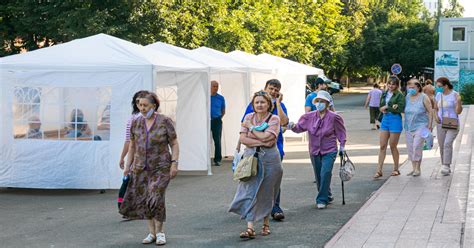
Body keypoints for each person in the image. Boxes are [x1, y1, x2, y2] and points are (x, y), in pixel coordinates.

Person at [119, 92, 179, 245]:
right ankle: (151, 232)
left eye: (145, 105)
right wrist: (128, 165)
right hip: (140, 168)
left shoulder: (164, 121)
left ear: (154, 105)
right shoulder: (136, 123)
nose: (142, 108)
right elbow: (132, 145)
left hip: (161, 166)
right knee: (147, 199)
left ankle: (160, 232)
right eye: (140, 105)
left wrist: (174, 163)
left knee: (156, 196)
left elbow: (174, 143)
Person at [230, 91, 283, 239]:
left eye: (263, 102)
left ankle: (266, 224)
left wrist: (252, 129)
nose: (259, 105)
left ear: (268, 104)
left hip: (271, 159)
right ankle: (250, 227)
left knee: (267, 191)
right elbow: (243, 139)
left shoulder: (274, 118)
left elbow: (269, 137)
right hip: (250, 158)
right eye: (257, 102)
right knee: (249, 191)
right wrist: (262, 142)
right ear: (253, 104)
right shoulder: (248, 117)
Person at [289, 90, 346, 209]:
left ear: (327, 103)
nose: (319, 103)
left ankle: (322, 199)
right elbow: (299, 128)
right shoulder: (308, 116)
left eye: (322, 101)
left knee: (325, 172)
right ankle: (328, 195)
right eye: (318, 101)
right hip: (314, 149)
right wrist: (292, 126)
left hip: (329, 149)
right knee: (318, 175)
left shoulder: (334, 117)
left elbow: (341, 133)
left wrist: (342, 146)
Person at [241, 79, 288, 221]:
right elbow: (244, 125)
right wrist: (258, 141)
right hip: (255, 149)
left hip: (275, 147)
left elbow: (284, 122)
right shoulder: (254, 105)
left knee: (273, 178)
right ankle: (253, 207)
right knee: (253, 177)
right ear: (266, 88)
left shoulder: (280, 106)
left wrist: (278, 104)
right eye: (271, 88)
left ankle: (275, 207)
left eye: (276, 90)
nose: (273, 91)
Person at [374, 76, 405, 179]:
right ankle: (379, 170)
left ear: (397, 85)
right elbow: (380, 106)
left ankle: (396, 169)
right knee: (382, 146)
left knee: (393, 145)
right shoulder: (384, 93)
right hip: (385, 119)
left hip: (395, 120)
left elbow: (400, 108)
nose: (391, 86)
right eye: (389, 83)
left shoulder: (399, 95)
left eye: (393, 84)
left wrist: (388, 107)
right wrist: (382, 108)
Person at [434, 77, 463, 176]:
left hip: (452, 123)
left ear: (446, 86)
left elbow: (458, 111)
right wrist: (435, 116)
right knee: (442, 145)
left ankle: (446, 165)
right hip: (441, 123)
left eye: (440, 86)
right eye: (437, 86)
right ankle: (444, 165)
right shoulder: (438, 95)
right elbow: (435, 108)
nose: (438, 88)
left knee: (447, 143)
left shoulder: (455, 95)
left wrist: (458, 101)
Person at [404, 79, 433, 176]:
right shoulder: (407, 97)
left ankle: (418, 168)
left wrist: (430, 125)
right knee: (410, 148)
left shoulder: (423, 97)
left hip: (421, 125)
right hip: (408, 126)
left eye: (413, 87)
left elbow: (430, 111)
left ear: (418, 87)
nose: (410, 89)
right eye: (409, 87)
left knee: (417, 146)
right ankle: (413, 168)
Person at [119, 90, 149, 170]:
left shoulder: (158, 119)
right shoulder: (133, 120)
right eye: (139, 102)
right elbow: (129, 142)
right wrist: (122, 157)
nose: (142, 105)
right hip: (138, 160)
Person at [210, 80, 226, 166]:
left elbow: (223, 110)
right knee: (204, 140)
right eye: (214, 86)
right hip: (206, 121)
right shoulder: (206, 97)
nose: (216, 88)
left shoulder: (221, 98)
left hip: (217, 120)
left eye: (217, 86)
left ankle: (217, 159)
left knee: (217, 140)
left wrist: (218, 117)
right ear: (210, 87)